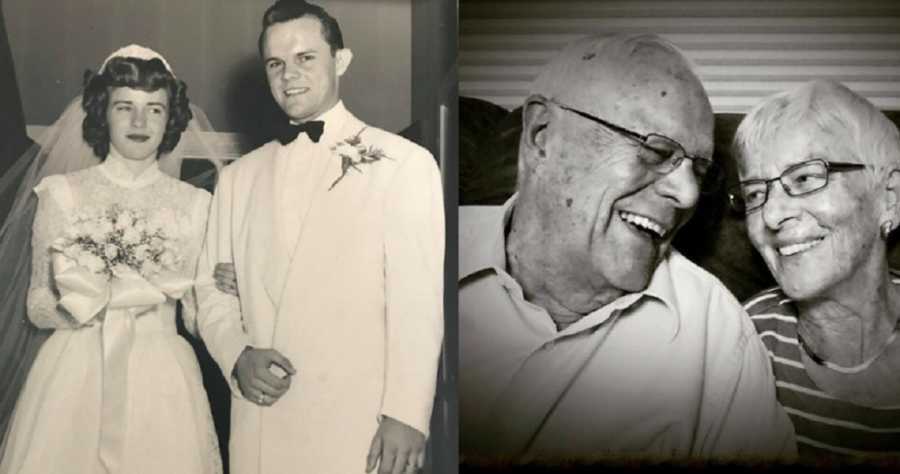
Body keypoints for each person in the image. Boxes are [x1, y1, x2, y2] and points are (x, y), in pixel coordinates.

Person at [458, 33, 796, 463]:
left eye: (700, 170)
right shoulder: (403, 251)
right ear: (542, 134)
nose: (688, 194)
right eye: (656, 150)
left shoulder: (716, 333)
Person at [195, 1, 444, 473]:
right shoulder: (237, 178)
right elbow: (210, 288)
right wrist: (235, 354)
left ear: (341, 61)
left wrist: (407, 414)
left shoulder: (403, 162)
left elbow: (418, 300)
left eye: (306, 58)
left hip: (359, 423)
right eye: (276, 63)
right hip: (262, 422)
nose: (289, 75)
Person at [0, 45, 224, 473]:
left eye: (154, 109)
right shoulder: (61, 193)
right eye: (126, 107)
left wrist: (227, 286)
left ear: (170, 118)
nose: (140, 122)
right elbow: (38, 306)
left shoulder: (197, 204)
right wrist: (99, 301)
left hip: (162, 375)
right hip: (76, 372)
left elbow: (195, 317)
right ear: (103, 112)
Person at [733, 79, 900, 462]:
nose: (771, 215)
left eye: (806, 178)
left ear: (888, 197)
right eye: (755, 194)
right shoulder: (739, 338)